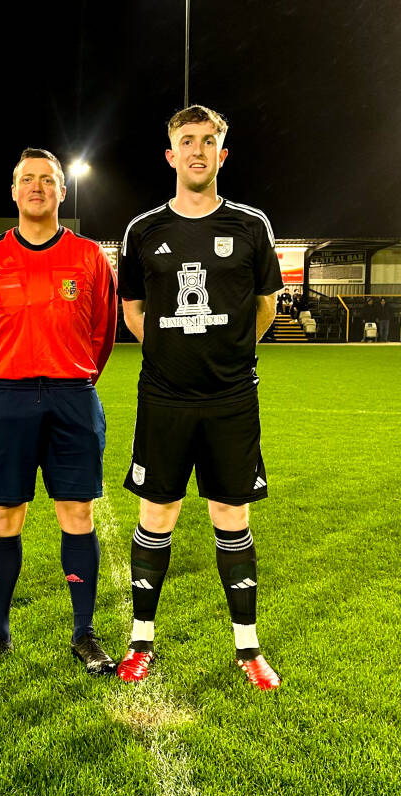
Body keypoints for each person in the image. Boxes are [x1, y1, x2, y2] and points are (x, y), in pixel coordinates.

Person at [116, 105, 282, 690]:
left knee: (230, 516)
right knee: (156, 514)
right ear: (170, 154)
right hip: (164, 397)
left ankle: (248, 648)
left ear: (221, 154)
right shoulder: (143, 231)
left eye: (208, 141)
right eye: (187, 141)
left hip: (232, 398)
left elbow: (267, 303)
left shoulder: (251, 224)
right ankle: (140, 643)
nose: (197, 150)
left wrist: (231, 351)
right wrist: (168, 346)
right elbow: (133, 310)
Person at [0, 148, 118, 674]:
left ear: (62, 191)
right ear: (13, 190)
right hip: (6, 399)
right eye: (27, 179)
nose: (37, 187)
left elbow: (103, 332)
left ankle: (84, 634)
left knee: (77, 513)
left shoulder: (90, 256)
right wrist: (1, 382)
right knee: (4, 514)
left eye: (47, 180)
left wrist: (74, 378)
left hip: (73, 396)